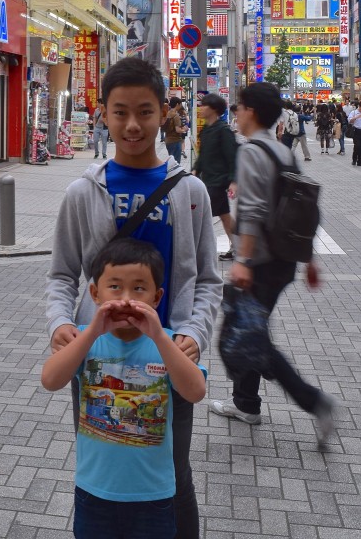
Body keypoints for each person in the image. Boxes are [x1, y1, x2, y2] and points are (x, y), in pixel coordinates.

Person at [46, 57, 222, 539]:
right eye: (119, 111)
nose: (132, 125)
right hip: (98, 356)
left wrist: (192, 333)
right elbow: (62, 273)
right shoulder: (83, 192)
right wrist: (62, 322)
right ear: (102, 113)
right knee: (99, 470)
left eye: (144, 111)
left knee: (173, 473)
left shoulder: (190, 192)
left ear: (164, 111)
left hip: (166, 358)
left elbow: (207, 278)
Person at [41, 237, 207, 539]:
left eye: (139, 288)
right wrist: (92, 330)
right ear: (95, 293)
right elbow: (50, 380)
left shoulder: (169, 343)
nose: (127, 298)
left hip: (154, 496)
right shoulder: (85, 340)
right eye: (114, 287)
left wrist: (158, 336)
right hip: (94, 492)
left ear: (157, 298)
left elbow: (195, 391)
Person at [210, 82, 335, 447]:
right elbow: (302, 209)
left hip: (260, 262)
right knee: (249, 329)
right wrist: (308, 257)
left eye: (238, 107)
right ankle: (246, 403)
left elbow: (251, 211)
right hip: (284, 261)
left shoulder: (251, 152)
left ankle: (316, 402)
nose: (236, 113)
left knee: (250, 337)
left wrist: (243, 260)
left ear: (250, 110)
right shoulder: (283, 152)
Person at [192, 93, 238, 261]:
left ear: (214, 110)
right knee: (224, 215)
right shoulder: (207, 130)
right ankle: (237, 247)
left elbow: (232, 156)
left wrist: (234, 180)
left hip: (218, 181)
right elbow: (203, 154)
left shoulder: (223, 130)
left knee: (200, 214)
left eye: (204, 106)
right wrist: (195, 170)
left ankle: (197, 250)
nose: (201, 108)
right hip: (207, 179)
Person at [164, 97, 187, 163]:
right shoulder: (176, 116)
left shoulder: (167, 114)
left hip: (168, 140)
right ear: (177, 104)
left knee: (171, 161)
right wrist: (184, 129)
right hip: (175, 141)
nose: (180, 106)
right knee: (176, 163)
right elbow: (178, 130)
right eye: (180, 104)